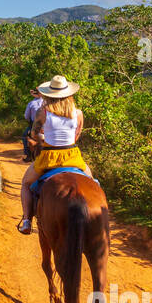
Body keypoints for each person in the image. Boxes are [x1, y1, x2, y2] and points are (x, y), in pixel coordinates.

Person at [17, 74, 92, 235]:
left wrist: (42, 139)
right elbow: (76, 136)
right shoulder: (78, 113)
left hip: (49, 157)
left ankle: (27, 221)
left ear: (49, 94)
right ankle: (98, 216)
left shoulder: (42, 113)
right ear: (69, 94)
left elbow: (33, 134)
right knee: (92, 183)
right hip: (72, 156)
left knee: (25, 183)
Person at [21, 88, 43, 161]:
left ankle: (28, 155)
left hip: (34, 125)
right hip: (46, 125)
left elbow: (26, 116)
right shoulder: (46, 102)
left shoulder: (31, 103)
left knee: (24, 136)